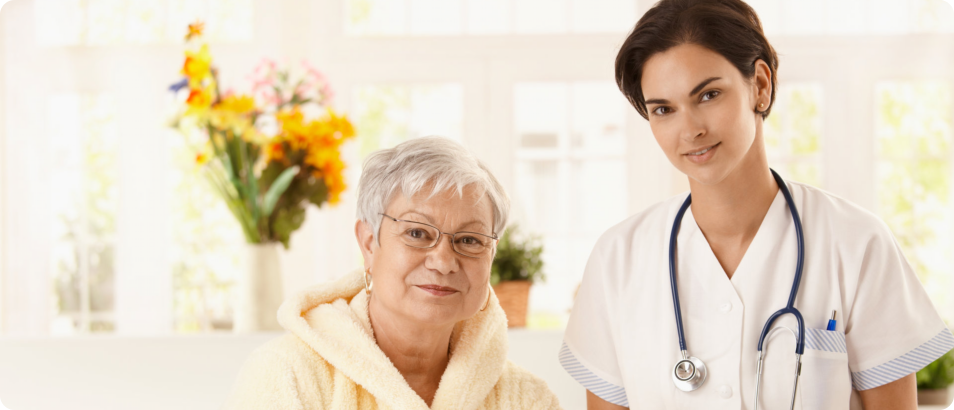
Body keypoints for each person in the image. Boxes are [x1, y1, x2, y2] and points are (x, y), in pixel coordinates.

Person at [559, 0, 954, 409]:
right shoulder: (617, 259)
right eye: (663, 109)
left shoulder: (856, 242)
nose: (690, 129)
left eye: (709, 94)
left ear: (760, 85)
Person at [225, 137, 561, 409]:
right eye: (417, 233)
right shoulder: (286, 375)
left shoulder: (525, 399)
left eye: (470, 240)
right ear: (369, 243)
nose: (443, 262)